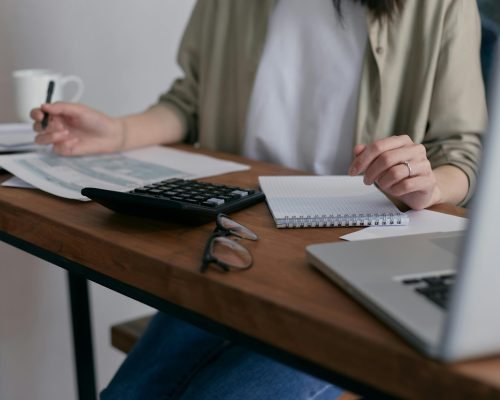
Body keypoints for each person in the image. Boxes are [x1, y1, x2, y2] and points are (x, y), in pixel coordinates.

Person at [30, 0, 487, 399]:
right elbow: (190, 101)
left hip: (353, 263)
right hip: (233, 245)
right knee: (127, 395)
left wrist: (427, 185)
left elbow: (461, 152)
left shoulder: (440, 4)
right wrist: (119, 132)